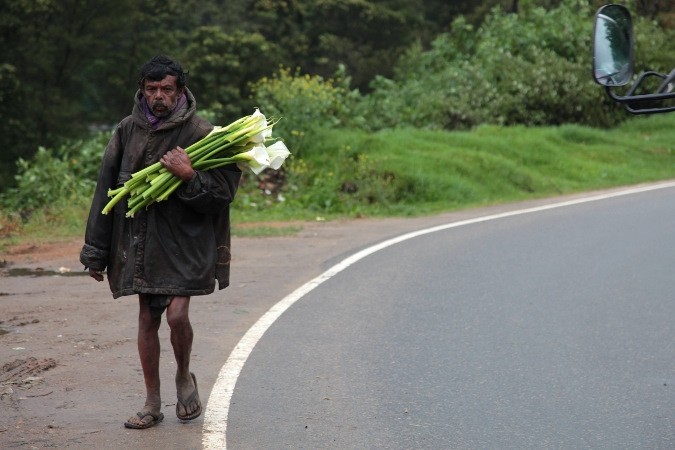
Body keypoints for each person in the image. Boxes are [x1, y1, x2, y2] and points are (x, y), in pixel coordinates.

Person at [80, 55, 241, 429]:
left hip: (186, 243)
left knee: (177, 314)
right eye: (151, 89)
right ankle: (152, 402)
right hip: (140, 241)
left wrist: (188, 176)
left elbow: (222, 196)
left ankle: (183, 375)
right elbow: (105, 192)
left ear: (179, 91)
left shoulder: (204, 134)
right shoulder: (126, 131)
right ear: (142, 90)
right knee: (148, 317)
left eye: (166, 89)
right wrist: (96, 252)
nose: (158, 97)